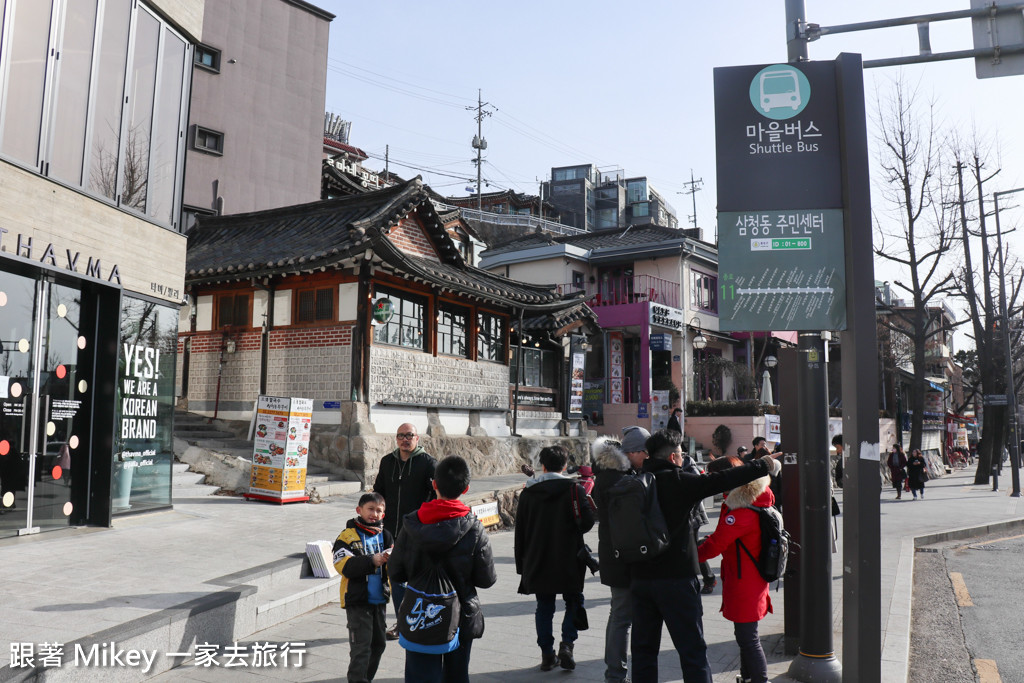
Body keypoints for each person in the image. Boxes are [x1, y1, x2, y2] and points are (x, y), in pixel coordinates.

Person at [629, 429, 781, 683]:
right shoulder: (678, 481)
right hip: (677, 579)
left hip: (640, 578)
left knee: (643, 652)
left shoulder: (633, 483)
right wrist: (761, 464)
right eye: (680, 454)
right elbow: (720, 479)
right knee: (692, 650)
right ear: (673, 457)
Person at [387, 455, 497, 683]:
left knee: (420, 676)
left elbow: (395, 572)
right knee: (457, 676)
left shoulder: (411, 524)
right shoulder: (474, 528)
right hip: (462, 614)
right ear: (466, 489)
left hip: (420, 612)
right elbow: (486, 579)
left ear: (434, 484)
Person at [516, 445, 596, 672]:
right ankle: (567, 645)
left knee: (544, 606)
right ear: (564, 465)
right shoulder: (575, 490)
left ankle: (547, 654)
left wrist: (522, 565)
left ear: (542, 465)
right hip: (569, 557)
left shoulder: (529, 493)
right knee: (574, 600)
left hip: (538, 558)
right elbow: (587, 523)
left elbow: (520, 530)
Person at [697, 456, 775, 683]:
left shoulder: (741, 512)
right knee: (745, 637)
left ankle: (759, 680)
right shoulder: (755, 501)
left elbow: (716, 545)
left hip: (745, 580)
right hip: (750, 575)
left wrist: (689, 557)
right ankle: (748, 677)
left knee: (748, 638)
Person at [592, 426, 650, 683]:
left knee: (620, 615)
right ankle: (615, 674)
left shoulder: (610, 474)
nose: (648, 458)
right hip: (622, 556)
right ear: (634, 452)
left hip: (614, 553)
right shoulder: (619, 480)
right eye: (645, 453)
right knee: (622, 616)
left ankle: (615, 672)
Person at [373, 423, 437, 639]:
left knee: (418, 579)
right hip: (391, 532)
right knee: (396, 579)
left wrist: (426, 522)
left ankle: (422, 619)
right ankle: (403, 622)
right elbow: (378, 493)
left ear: (417, 438)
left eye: (409, 435)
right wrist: (376, 519)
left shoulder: (428, 463)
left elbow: (436, 495)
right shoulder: (387, 462)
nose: (404, 439)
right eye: (400, 435)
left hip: (418, 533)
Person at [332, 493, 394, 683]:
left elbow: (396, 568)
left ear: (383, 514)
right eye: (370, 509)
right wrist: (372, 560)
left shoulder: (386, 535)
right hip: (357, 601)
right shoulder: (347, 536)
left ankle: (366, 679)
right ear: (359, 510)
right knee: (361, 648)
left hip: (379, 599)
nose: (374, 514)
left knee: (378, 645)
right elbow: (344, 566)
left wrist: (394, 559)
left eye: (379, 511)